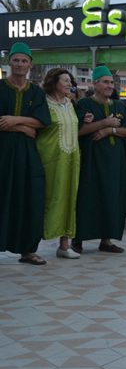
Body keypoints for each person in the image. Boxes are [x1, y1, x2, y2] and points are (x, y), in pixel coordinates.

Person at [0, 42, 51, 265]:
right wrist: (24, 127)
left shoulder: (36, 92)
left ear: (30, 64)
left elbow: (42, 121)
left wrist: (14, 120)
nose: (20, 64)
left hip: (27, 155)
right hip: (2, 152)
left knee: (29, 197)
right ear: (8, 62)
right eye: (16, 60)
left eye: (24, 60)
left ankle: (27, 250)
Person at [71, 66, 126, 254]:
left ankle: (106, 240)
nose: (109, 86)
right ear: (94, 83)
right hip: (91, 160)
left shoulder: (119, 106)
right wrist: (104, 122)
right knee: (87, 197)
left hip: (115, 161)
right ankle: (78, 238)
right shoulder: (84, 105)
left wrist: (109, 130)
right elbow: (79, 131)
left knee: (112, 197)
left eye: (111, 82)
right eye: (105, 82)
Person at [37, 68, 81, 259]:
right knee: (48, 199)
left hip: (71, 159)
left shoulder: (70, 104)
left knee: (69, 198)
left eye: (70, 80)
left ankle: (64, 245)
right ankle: (31, 246)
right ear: (54, 82)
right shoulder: (43, 104)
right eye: (65, 80)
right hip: (50, 160)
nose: (69, 84)